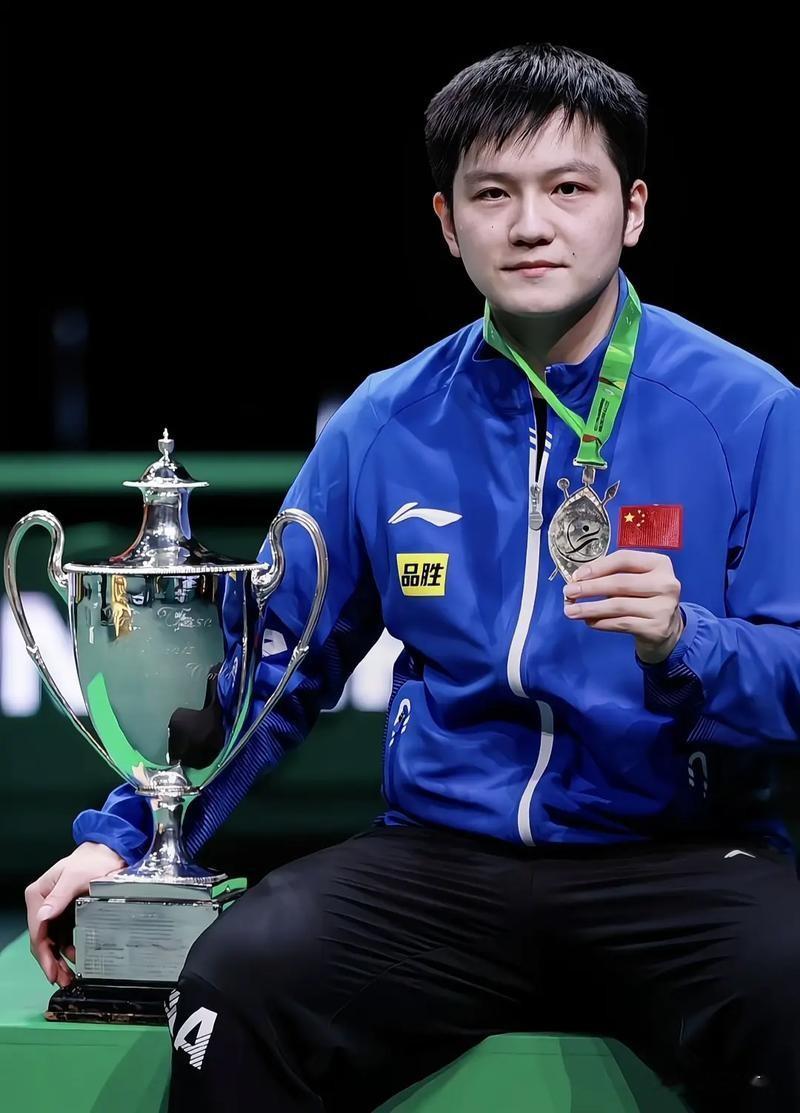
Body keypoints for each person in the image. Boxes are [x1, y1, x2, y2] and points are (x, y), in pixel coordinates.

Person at [26, 42, 800, 1112]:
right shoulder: (384, 420)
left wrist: (688, 642)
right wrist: (127, 834)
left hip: (679, 861)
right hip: (442, 863)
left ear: (631, 211)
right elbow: (276, 668)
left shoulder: (750, 411)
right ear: (447, 222)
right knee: (238, 984)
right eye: (493, 193)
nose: (529, 224)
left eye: (568, 189)